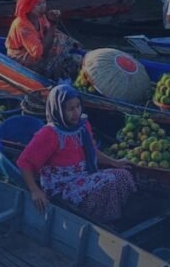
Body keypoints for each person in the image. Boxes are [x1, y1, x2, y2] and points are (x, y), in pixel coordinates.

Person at [17, 85, 136, 223]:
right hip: (61, 188)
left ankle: (114, 215)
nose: (76, 113)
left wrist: (115, 162)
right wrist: (35, 190)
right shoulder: (49, 134)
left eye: (78, 106)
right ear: (59, 110)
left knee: (123, 174)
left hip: (82, 177)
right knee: (108, 182)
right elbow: (24, 162)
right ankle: (100, 219)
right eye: (70, 109)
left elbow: (92, 151)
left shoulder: (82, 126)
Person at [6, 0, 80, 79]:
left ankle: (57, 67)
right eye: (38, 4)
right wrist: (53, 24)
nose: (43, 7)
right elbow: (40, 53)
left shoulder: (40, 17)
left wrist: (71, 42)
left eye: (44, 3)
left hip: (37, 48)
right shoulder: (22, 25)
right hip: (22, 57)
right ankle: (51, 74)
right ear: (28, 6)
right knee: (56, 52)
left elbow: (50, 32)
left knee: (63, 40)